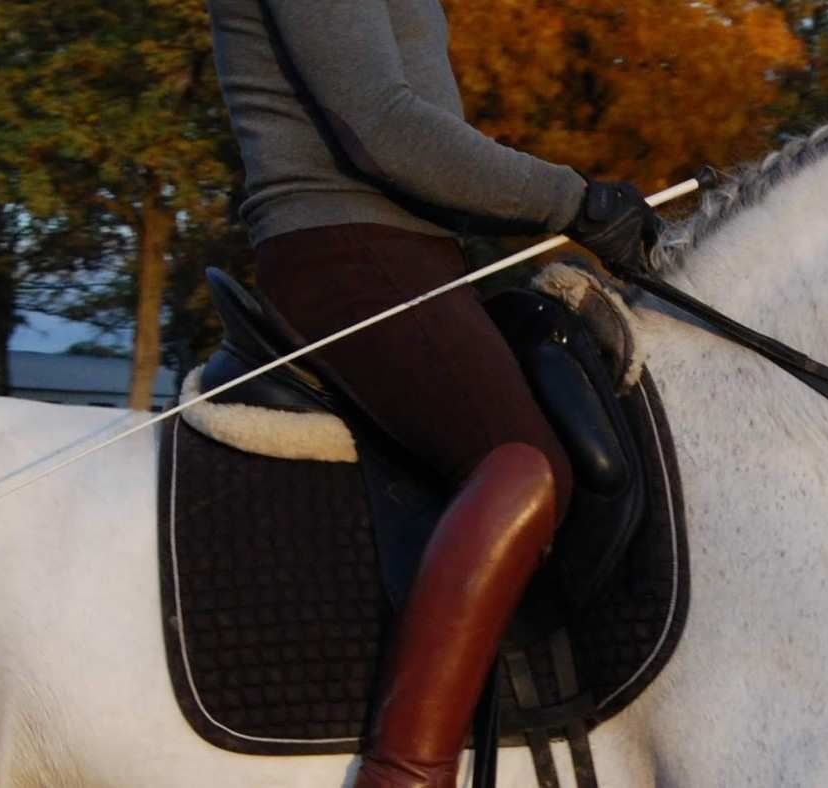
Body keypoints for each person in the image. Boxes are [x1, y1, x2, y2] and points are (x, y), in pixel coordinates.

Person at [206, 1, 659, 785]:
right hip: (344, 251)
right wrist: (571, 201)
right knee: (527, 465)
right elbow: (383, 127)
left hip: (416, 258)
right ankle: (403, 772)